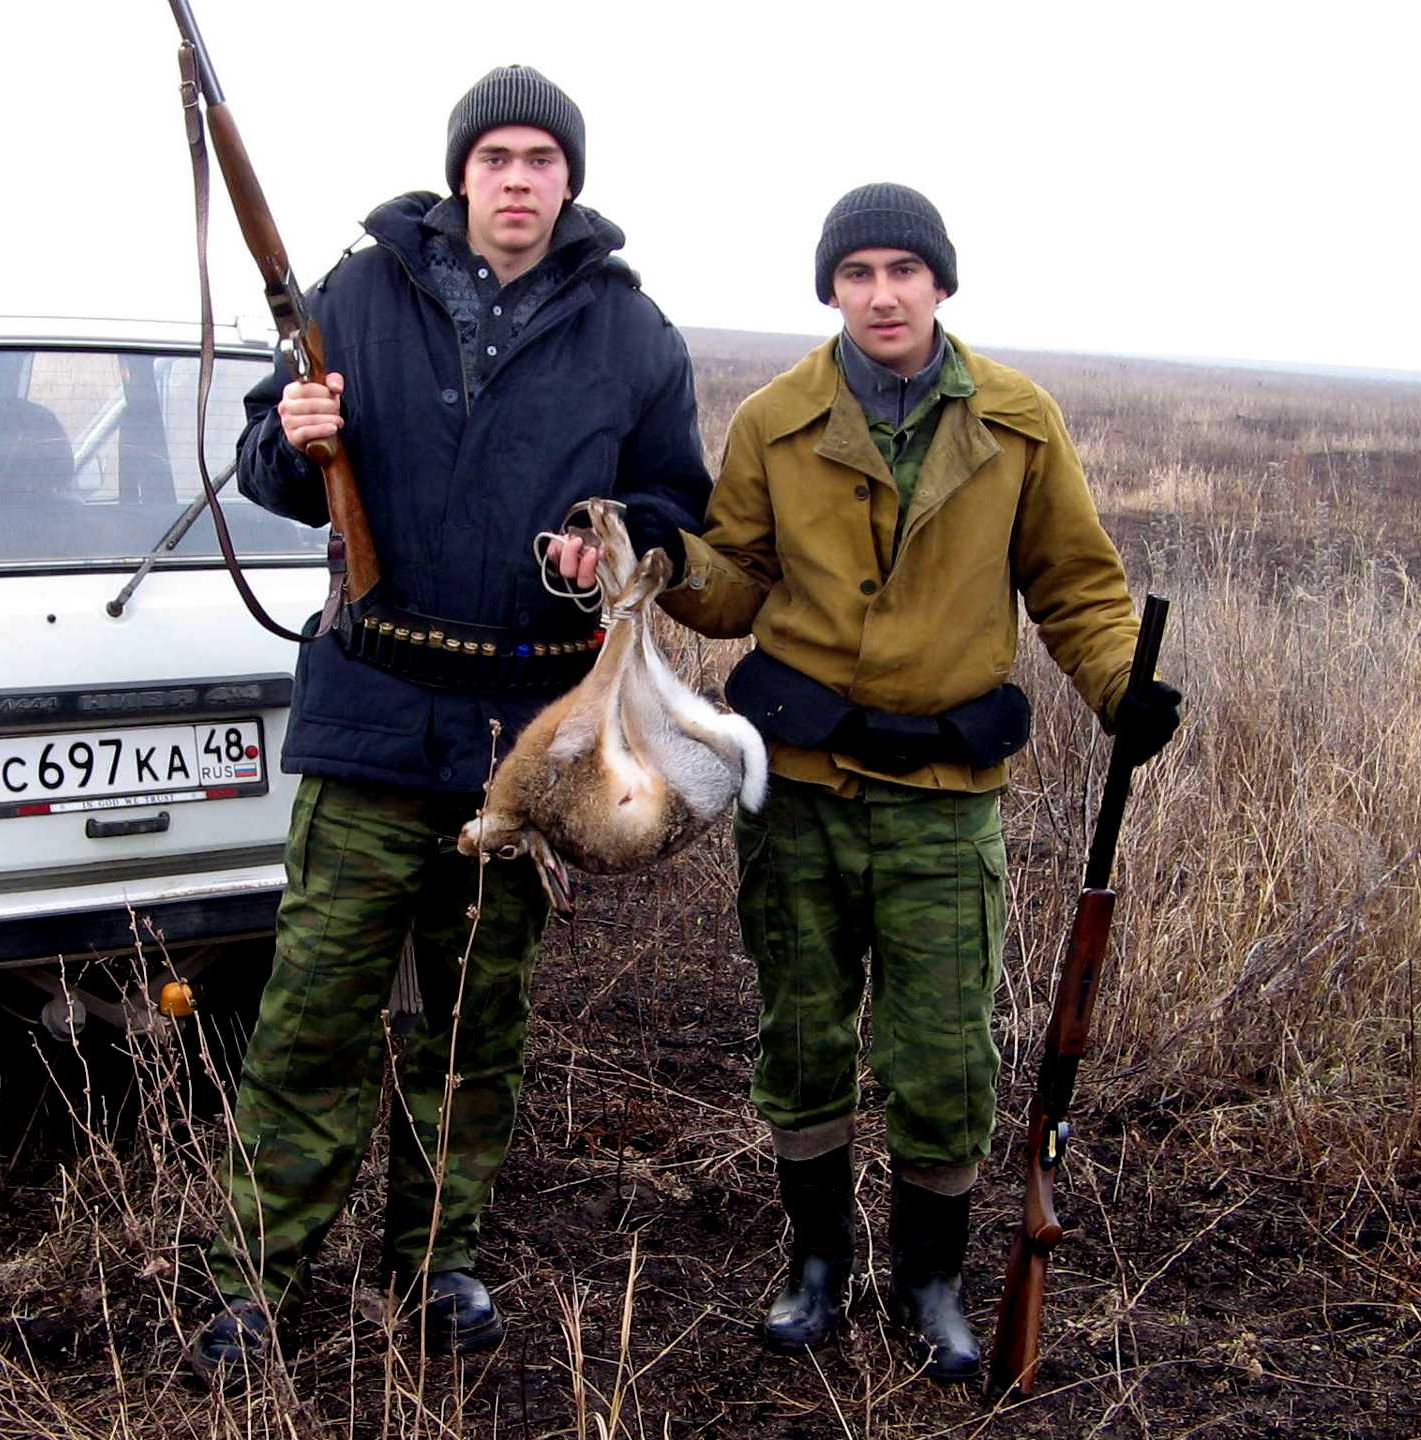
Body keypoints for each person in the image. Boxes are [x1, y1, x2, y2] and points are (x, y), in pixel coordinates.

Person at [188, 65, 710, 1385]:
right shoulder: (360, 293)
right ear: (461, 171)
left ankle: (436, 1264)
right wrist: (294, 434)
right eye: (496, 157)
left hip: (524, 746)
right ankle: (254, 1285)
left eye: (542, 159)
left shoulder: (631, 331)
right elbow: (270, 469)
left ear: (569, 180)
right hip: (371, 719)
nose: (518, 179)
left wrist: (618, 542)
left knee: (475, 1024)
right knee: (312, 1015)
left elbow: (676, 507)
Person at [656, 183, 1181, 1380]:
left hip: (944, 796)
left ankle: (930, 1281)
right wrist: (664, 560)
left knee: (943, 1051)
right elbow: (733, 582)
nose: (882, 294)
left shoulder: (1018, 420)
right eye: (858, 274)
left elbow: (1076, 585)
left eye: (904, 270)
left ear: (941, 282)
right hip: (797, 790)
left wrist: (1121, 685)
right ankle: (817, 1266)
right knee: (802, 1035)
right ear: (830, 290)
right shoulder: (776, 418)